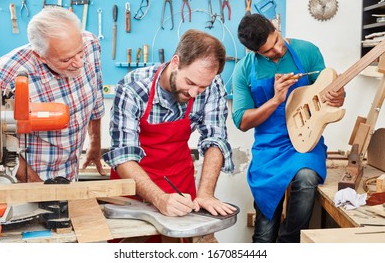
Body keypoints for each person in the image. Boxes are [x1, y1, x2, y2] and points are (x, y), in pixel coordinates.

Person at [232, 14, 345, 243]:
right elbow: (242, 121)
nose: (277, 50)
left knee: (306, 177)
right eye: (268, 51)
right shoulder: (243, 70)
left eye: (277, 41)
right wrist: (275, 100)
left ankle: (290, 244)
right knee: (264, 229)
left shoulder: (307, 51)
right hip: (269, 146)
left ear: (276, 28)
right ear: (255, 52)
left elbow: (327, 94)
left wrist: (338, 96)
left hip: (306, 141)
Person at [103, 29, 236, 217]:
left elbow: (215, 139)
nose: (193, 93)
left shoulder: (212, 85)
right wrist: (159, 199)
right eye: (189, 82)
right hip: (132, 184)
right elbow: (123, 157)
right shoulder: (132, 88)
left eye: (202, 87)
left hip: (178, 180)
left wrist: (205, 193)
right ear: (175, 63)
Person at [0, 7, 106, 182]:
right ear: (40, 57)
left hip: (70, 175)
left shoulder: (90, 44)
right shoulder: (9, 72)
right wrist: (38, 188)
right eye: (66, 59)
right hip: (29, 179)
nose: (79, 63)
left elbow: (96, 99)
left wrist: (95, 143)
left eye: (79, 52)